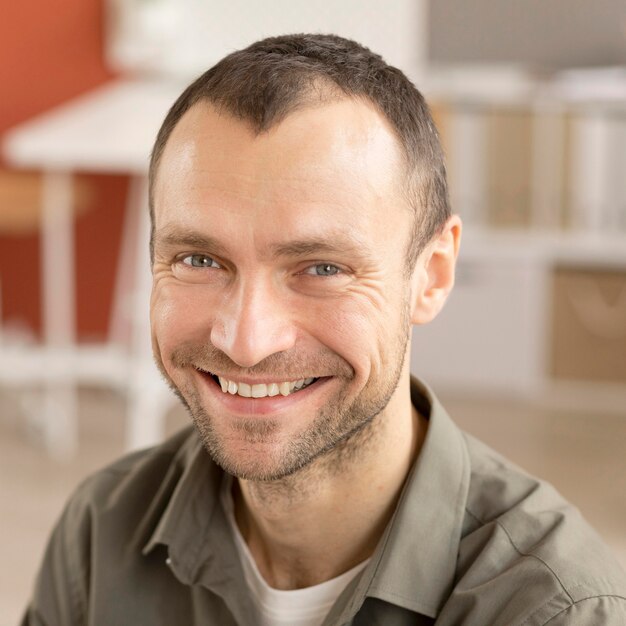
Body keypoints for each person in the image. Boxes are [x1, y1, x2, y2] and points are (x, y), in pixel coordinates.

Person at [23, 34, 626, 626]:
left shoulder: (555, 610)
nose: (246, 341)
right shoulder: (100, 535)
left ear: (432, 275)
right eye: (199, 261)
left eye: (322, 269)